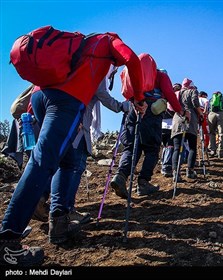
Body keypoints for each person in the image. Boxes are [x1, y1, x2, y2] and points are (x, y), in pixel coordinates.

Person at [0, 31, 145, 265]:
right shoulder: (109, 41)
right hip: (66, 100)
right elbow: (133, 59)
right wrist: (139, 98)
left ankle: (59, 224)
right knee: (42, 162)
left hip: (40, 96)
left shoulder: (82, 42)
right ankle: (7, 241)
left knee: (67, 162)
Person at [32, 76, 131, 224]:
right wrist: (121, 106)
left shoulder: (67, 61)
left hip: (47, 108)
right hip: (76, 118)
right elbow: (102, 94)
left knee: (56, 161)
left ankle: (40, 198)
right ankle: (64, 211)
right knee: (74, 165)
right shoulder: (96, 64)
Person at [111, 54, 187, 198]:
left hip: (134, 108)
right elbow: (170, 94)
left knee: (132, 147)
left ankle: (120, 176)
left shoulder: (136, 73)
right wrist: (181, 111)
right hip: (151, 111)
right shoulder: (161, 76)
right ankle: (143, 182)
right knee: (152, 149)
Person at [171, 78, 203, 180]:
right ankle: (190, 171)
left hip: (177, 119)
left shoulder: (177, 93)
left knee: (177, 148)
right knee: (192, 147)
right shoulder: (193, 90)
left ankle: (176, 172)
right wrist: (200, 114)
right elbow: (195, 102)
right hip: (191, 120)